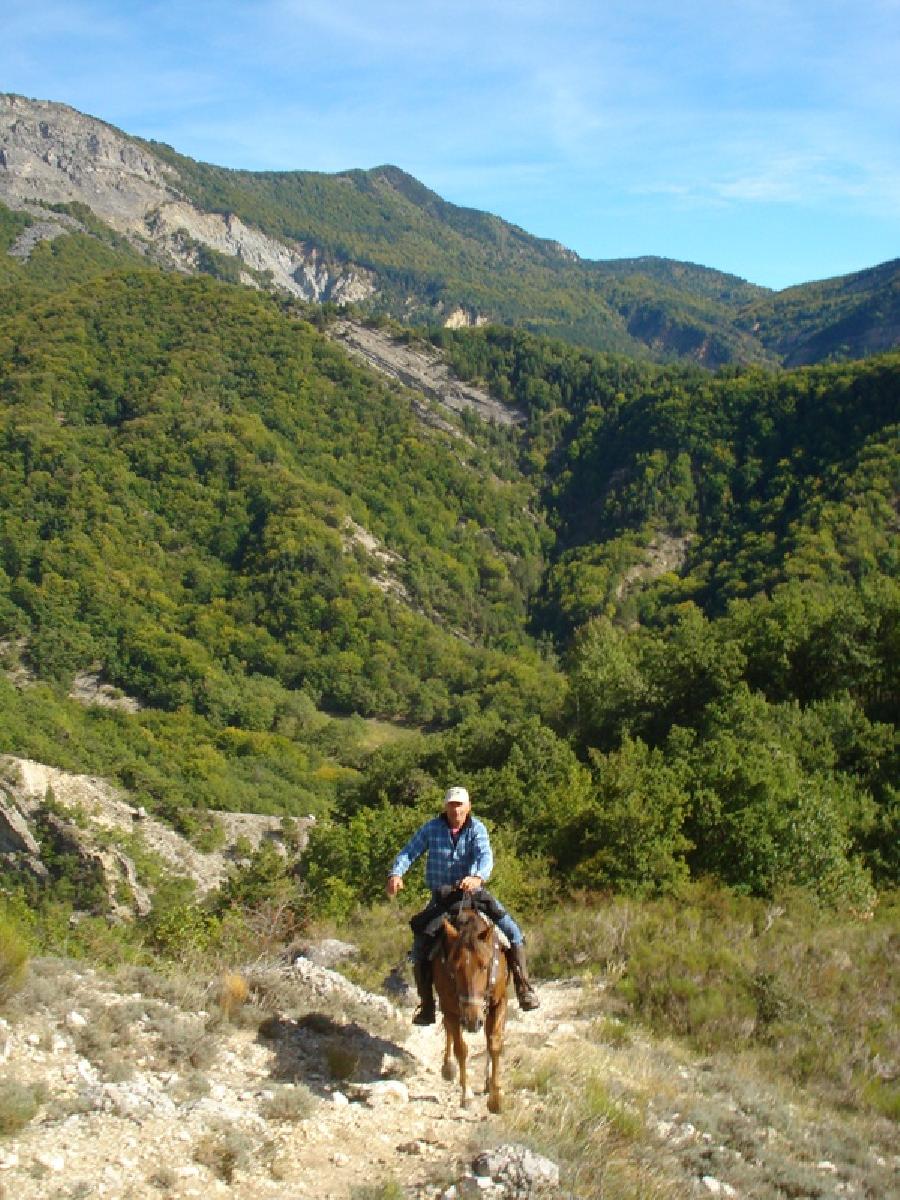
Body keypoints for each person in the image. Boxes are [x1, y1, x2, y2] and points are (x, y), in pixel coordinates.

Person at [386, 785, 539, 1024]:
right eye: (451, 805)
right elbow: (409, 851)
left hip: (473, 895)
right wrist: (397, 874)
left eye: (459, 805)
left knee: (512, 932)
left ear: (468, 807)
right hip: (442, 898)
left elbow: (485, 855)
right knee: (420, 946)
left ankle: (523, 986)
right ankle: (427, 1004)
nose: (455, 810)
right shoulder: (432, 828)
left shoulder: (477, 829)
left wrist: (477, 876)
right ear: (445, 807)